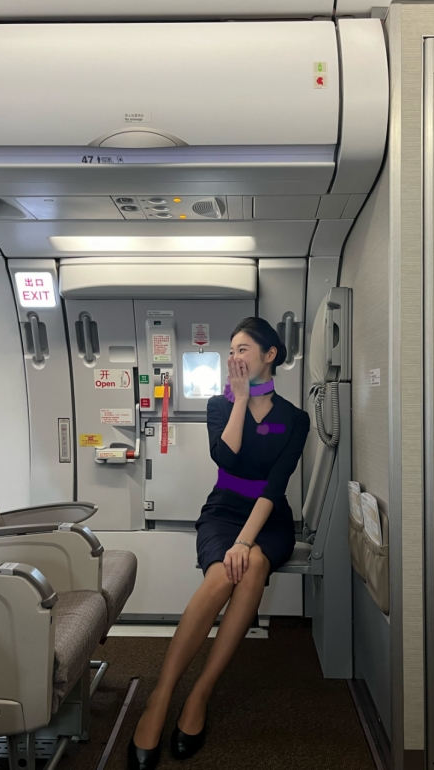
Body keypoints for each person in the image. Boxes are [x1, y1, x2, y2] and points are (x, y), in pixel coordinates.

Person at [128, 317, 310, 770]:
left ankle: (200, 694)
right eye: (231, 351)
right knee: (220, 578)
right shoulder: (218, 405)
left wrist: (246, 543)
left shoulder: (296, 418)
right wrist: (241, 399)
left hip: (268, 518)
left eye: (243, 349)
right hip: (223, 511)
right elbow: (225, 457)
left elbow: (275, 487)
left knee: (252, 569)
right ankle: (161, 696)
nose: (234, 358)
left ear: (270, 355)